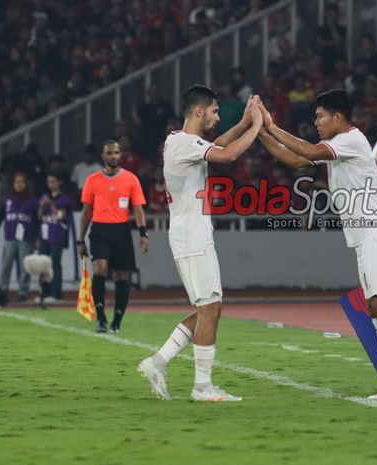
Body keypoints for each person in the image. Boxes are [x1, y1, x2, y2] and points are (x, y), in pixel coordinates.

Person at [257, 89, 377, 400]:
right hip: (367, 236)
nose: (315, 122)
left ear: (337, 118)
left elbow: (310, 152)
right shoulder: (341, 145)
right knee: (375, 305)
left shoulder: (350, 140)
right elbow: (293, 158)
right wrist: (259, 131)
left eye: (320, 116)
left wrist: (272, 126)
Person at [137, 85, 263, 402]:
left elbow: (217, 145)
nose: (217, 117)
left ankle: (158, 362)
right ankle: (202, 386)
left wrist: (245, 123)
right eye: (215, 111)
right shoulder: (182, 143)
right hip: (191, 233)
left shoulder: (178, 141)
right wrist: (258, 127)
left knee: (207, 308)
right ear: (198, 111)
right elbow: (230, 154)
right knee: (211, 307)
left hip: (190, 231)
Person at [77, 140, 149, 334]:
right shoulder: (92, 180)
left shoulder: (131, 179)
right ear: (103, 156)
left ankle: (117, 320)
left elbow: (138, 209)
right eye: (109, 153)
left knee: (121, 275)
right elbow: (86, 212)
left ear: (120, 155)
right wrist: (80, 239)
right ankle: (101, 318)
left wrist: (143, 233)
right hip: (100, 230)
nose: (113, 156)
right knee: (100, 269)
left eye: (116, 153)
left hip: (122, 231)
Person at [0, 171, 40, 303]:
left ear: (26, 183)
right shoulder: (7, 199)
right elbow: (0, 217)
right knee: (5, 265)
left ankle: (23, 292)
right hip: (10, 237)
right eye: (17, 182)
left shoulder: (33, 201)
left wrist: (37, 238)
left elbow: (38, 221)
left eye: (22, 182)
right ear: (13, 184)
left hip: (27, 238)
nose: (19, 185)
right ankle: (2, 290)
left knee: (25, 267)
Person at [38, 173, 72, 303]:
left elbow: (59, 216)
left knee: (55, 264)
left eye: (53, 181)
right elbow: (39, 217)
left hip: (57, 235)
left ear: (59, 183)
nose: (50, 184)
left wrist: (51, 204)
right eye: (49, 182)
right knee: (42, 264)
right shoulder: (44, 197)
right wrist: (41, 206)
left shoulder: (64, 199)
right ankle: (44, 293)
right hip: (44, 235)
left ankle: (56, 293)